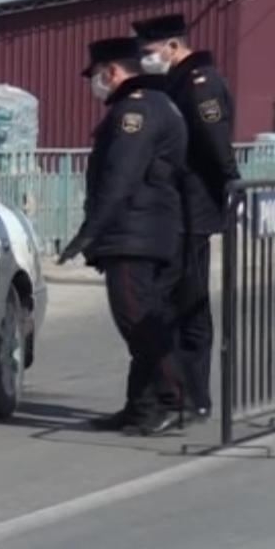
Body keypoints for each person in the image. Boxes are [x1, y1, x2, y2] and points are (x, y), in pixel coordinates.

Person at [58, 37, 189, 436]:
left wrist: (88, 232)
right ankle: (139, 406)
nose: (94, 85)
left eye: (96, 77)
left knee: (139, 322)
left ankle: (172, 399)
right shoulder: (154, 104)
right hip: (143, 230)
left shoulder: (136, 111)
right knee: (139, 321)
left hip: (137, 234)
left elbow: (121, 177)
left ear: (112, 72)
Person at [131, 14, 239, 424]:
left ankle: (192, 397)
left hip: (192, 209)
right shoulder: (174, 81)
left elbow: (215, 141)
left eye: (150, 51)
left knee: (187, 304)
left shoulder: (200, 83)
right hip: (175, 208)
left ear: (174, 47)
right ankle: (176, 396)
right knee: (175, 301)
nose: (145, 59)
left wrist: (231, 183)